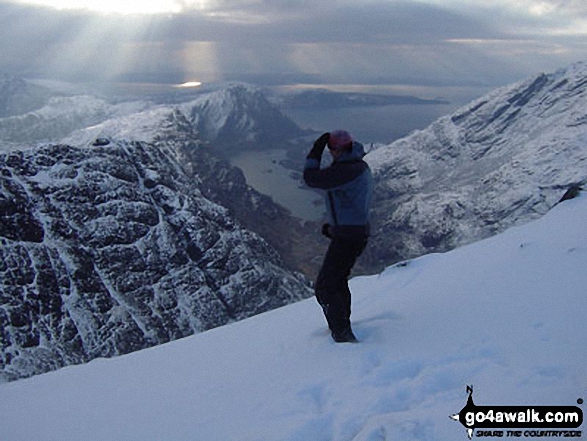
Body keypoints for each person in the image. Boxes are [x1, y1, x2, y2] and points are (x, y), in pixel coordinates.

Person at [303, 130, 373, 343]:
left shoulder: (348, 170)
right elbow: (348, 202)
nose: (330, 154)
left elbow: (311, 178)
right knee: (338, 280)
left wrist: (315, 151)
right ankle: (343, 323)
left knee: (325, 286)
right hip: (351, 233)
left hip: (349, 237)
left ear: (335, 150)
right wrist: (334, 228)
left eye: (331, 150)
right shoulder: (354, 166)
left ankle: (342, 335)